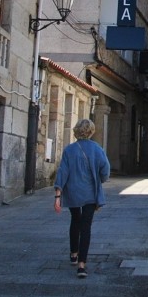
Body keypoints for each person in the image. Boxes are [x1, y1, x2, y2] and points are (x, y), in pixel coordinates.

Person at [53, 119, 110, 279]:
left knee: (75, 220)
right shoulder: (97, 149)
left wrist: (58, 195)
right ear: (91, 132)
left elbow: (62, 172)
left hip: (73, 192)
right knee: (86, 227)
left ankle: (73, 253)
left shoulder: (69, 150)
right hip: (90, 193)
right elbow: (105, 170)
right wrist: (100, 179)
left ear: (76, 131)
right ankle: (82, 265)